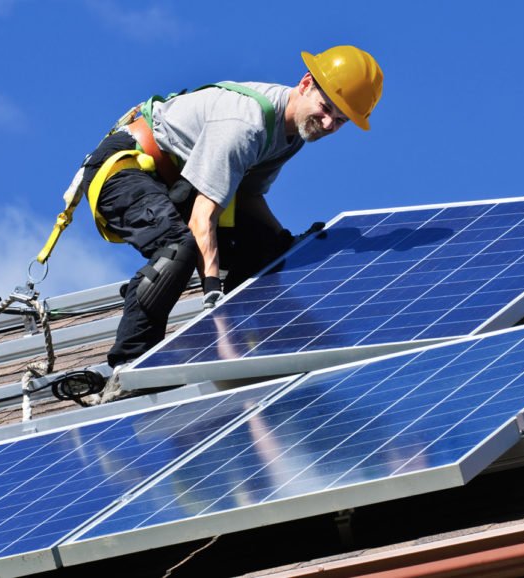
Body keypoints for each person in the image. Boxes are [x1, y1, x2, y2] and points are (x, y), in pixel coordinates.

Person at [78, 46, 383, 402]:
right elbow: (201, 218)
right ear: (305, 84)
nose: (329, 123)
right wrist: (211, 295)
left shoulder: (291, 135)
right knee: (179, 247)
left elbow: (249, 197)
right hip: (123, 169)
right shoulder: (246, 124)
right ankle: (129, 368)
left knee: (267, 251)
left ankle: (256, 343)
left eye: (341, 119)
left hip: (176, 184)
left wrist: (283, 241)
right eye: (326, 108)